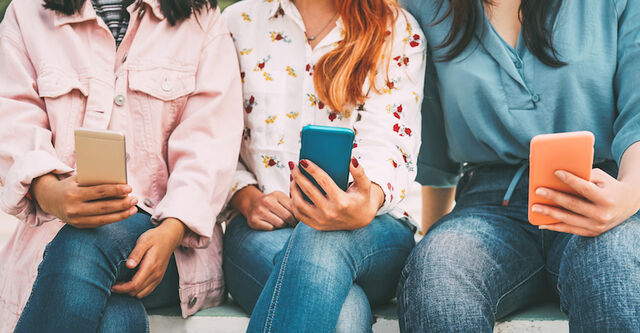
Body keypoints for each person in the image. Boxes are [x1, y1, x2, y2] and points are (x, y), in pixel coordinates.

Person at [0, 0, 243, 331]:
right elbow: (11, 118)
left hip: (167, 245)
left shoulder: (201, 20)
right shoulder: (27, 12)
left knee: (86, 245)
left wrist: (172, 230)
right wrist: (50, 191)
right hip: (51, 245)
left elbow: (210, 143)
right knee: (115, 319)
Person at [398, 0, 640, 331]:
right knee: (439, 267)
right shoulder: (424, 7)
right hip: (488, 205)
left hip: (598, 191)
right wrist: (433, 235)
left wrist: (629, 195)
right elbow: (435, 149)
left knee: (611, 264)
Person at [221, 0, 425, 331]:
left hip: (373, 231)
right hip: (263, 230)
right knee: (344, 314)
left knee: (320, 236)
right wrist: (245, 196)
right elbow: (214, 137)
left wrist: (364, 200)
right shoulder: (237, 22)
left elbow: (390, 141)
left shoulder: (395, 28)